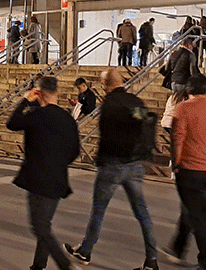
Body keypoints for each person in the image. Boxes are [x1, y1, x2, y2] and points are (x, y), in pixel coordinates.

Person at [65, 69, 158, 270]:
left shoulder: (109, 104)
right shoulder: (135, 102)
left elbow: (107, 135)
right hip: (134, 164)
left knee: (99, 209)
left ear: (106, 84)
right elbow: (143, 123)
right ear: (122, 81)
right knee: (142, 212)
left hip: (112, 163)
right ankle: (152, 259)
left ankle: (86, 250)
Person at [7, 75, 80, 270]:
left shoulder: (35, 114)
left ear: (38, 93)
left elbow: (12, 123)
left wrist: (26, 99)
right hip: (58, 179)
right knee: (44, 224)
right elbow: (75, 151)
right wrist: (58, 162)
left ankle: (65, 265)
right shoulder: (68, 119)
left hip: (38, 178)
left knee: (39, 226)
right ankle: (38, 265)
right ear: (56, 92)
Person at [163, 75, 206, 270]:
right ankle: (177, 248)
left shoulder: (183, 109)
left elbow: (178, 138)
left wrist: (176, 163)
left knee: (198, 218)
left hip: (189, 169)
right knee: (196, 211)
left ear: (188, 91)